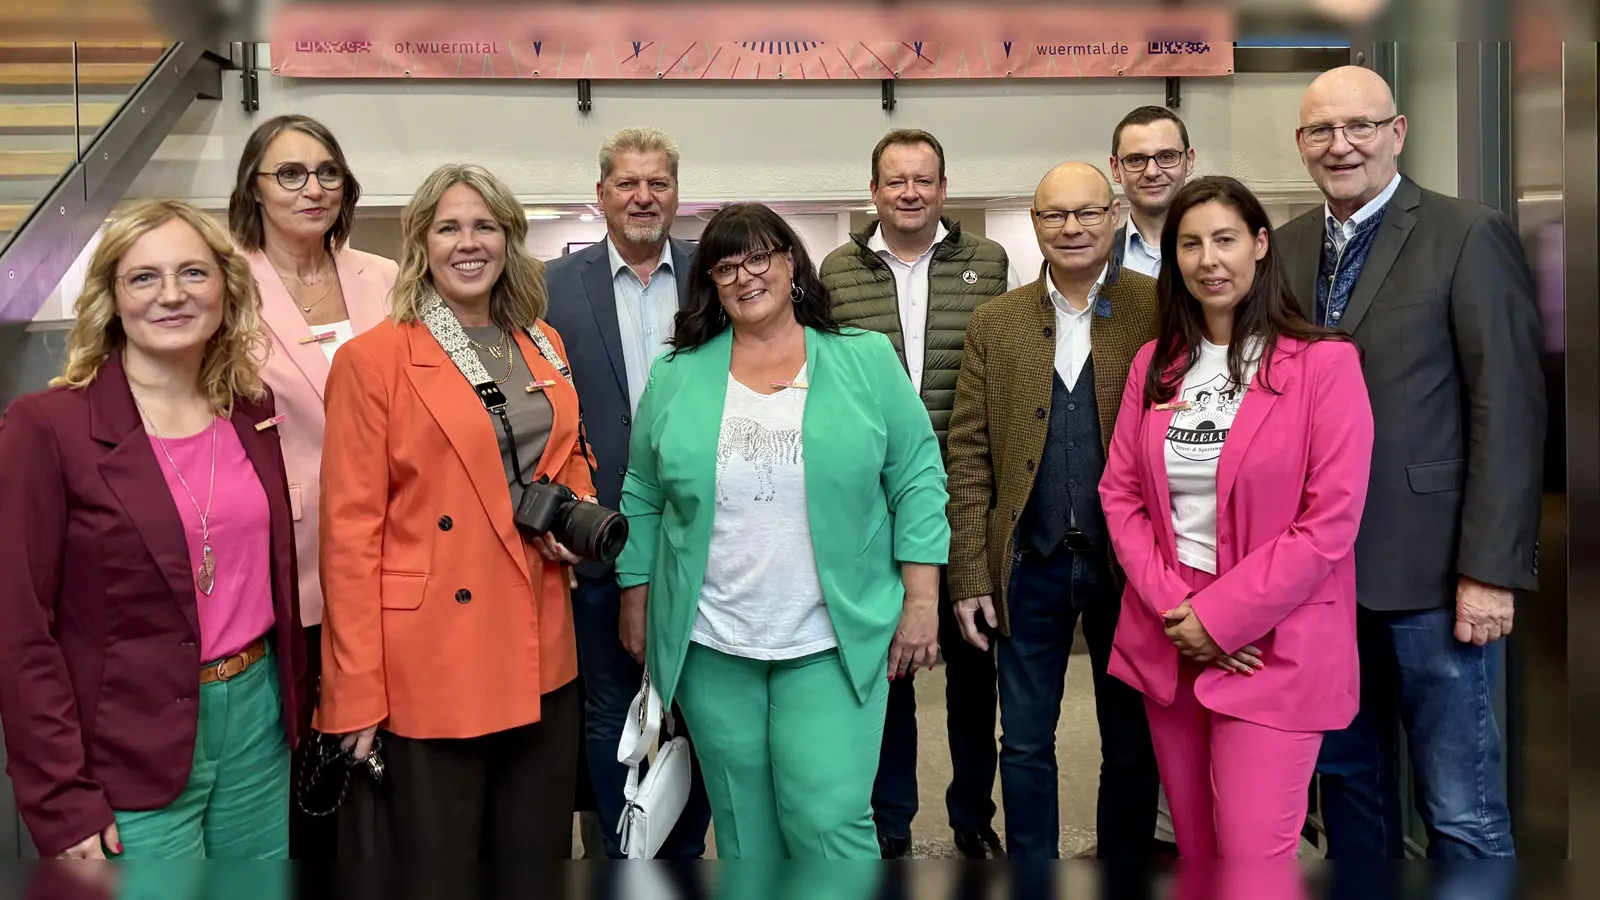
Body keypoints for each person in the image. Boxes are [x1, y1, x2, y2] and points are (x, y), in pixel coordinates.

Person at [615, 203, 949, 859]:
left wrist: (923, 598)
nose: (746, 276)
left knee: (828, 824)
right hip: (713, 642)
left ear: (791, 262)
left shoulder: (864, 360)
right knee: (745, 832)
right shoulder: (678, 375)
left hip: (832, 637)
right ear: (710, 282)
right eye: (726, 266)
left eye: (760, 257)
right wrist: (635, 595)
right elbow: (644, 492)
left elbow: (916, 477)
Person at [1280, 66, 1544, 860]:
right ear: (1300, 146)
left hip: (1435, 576)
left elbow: (1509, 406)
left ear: (1398, 133)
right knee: (1351, 789)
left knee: (1459, 802)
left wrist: (1490, 569)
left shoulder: (1467, 232)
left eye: (1360, 126)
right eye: (1322, 131)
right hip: (1320, 577)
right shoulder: (1286, 247)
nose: (1341, 145)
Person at [0, 199, 307, 858]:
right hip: (126, 748)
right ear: (111, 297)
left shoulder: (251, 410)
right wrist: (59, 797)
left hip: (258, 722)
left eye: (194, 273)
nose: (172, 295)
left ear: (226, 286)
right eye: (144, 277)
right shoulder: (47, 427)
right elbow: (19, 627)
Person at [317, 163, 593, 861]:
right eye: (448, 228)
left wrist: (578, 508)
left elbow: (568, 450)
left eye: (485, 226)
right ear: (422, 243)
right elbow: (349, 538)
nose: (468, 243)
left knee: (534, 853)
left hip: (541, 640)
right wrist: (355, 695)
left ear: (509, 239)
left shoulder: (542, 342)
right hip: (435, 656)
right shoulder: (373, 360)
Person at [1100, 175, 1373, 861]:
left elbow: (1328, 523)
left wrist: (1221, 619)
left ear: (1259, 246)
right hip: (1171, 633)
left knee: (1253, 860)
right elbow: (1121, 496)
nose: (1207, 260)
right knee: (1197, 854)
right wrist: (1180, 612)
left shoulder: (1325, 364)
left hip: (1273, 643)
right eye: (1189, 245)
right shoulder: (1155, 366)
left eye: (1224, 240)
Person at [945, 162, 1161, 862]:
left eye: (1088, 212)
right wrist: (970, 574)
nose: (1072, 228)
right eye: (1055, 215)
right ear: (1034, 225)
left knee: (1130, 737)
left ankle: (1123, 862)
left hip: (1128, 569)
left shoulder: (1159, 308)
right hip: (1028, 565)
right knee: (1028, 739)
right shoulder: (995, 324)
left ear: (1115, 217)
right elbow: (970, 456)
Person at [819, 128, 1019, 859]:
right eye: (895, 180)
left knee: (973, 668)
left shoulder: (988, 264)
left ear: (943, 187)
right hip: (875, 504)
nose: (910, 192)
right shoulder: (836, 270)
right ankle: (891, 823)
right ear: (873, 190)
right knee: (889, 669)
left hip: (965, 493)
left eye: (924, 180)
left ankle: (972, 816)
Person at [226, 113, 397, 859]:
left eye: (327, 172)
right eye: (290, 174)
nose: (313, 188)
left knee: (390, 752)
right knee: (306, 747)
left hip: (397, 540)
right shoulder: (226, 284)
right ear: (254, 189)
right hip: (285, 557)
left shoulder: (384, 277)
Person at [543, 126, 712, 860]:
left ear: (678, 194)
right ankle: (625, 860)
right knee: (612, 710)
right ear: (601, 195)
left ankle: (681, 855)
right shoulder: (550, 287)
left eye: (659, 183)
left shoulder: (718, 274)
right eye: (628, 183)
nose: (644, 196)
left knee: (704, 713)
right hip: (601, 540)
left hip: (708, 545)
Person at [1107, 102, 1196, 857]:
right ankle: (1154, 839)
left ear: (1189, 161)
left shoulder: (1221, 240)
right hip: (1127, 495)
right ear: (1117, 171)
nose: (1153, 170)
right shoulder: (1096, 257)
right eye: (1137, 159)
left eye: (1166, 156)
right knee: (1144, 692)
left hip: (1211, 493)